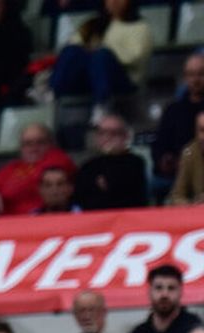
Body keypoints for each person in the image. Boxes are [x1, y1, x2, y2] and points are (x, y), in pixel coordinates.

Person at [0, 124, 75, 218]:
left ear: (50, 144)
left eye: (40, 142)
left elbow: (37, 182)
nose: (34, 148)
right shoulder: (14, 167)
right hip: (6, 220)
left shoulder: (57, 159)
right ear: (21, 147)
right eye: (28, 144)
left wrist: (4, 191)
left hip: (36, 217)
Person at [50, 0, 152, 109]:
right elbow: (75, 45)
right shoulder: (93, 23)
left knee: (101, 56)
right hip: (89, 76)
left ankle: (102, 106)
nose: (114, 2)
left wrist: (102, 49)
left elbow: (135, 57)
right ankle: (52, 94)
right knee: (71, 51)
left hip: (123, 80)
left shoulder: (140, 26)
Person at [75, 115, 148, 211]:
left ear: (125, 136)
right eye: (102, 133)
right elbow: (83, 198)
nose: (107, 137)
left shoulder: (135, 163)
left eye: (113, 133)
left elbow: (126, 195)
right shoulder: (87, 167)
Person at [157, 54, 204, 194]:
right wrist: (164, 159)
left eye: (201, 74)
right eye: (191, 75)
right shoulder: (173, 110)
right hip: (177, 171)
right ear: (185, 77)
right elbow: (161, 143)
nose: (195, 80)